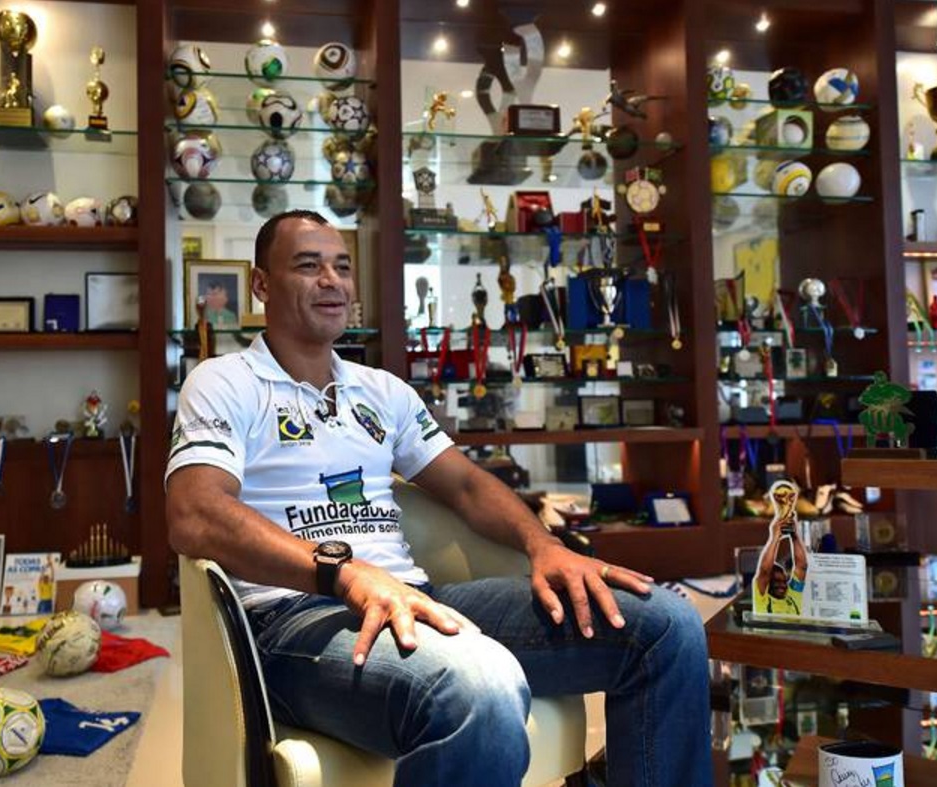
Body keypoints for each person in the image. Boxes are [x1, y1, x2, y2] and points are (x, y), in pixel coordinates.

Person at [165, 210, 712, 786]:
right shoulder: (225, 381)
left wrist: (544, 545)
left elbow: (468, 486)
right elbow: (194, 514)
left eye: (342, 267)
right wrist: (344, 574)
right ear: (261, 284)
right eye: (308, 266)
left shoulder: (382, 392)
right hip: (296, 619)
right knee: (478, 685)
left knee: (666, 627)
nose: (332, 281)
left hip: (417, 596)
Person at [752, 503, 809, 617]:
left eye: (784, 581)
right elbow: (765, 570)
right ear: (768, 583)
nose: (782, 585)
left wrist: (794, 535)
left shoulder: (792, 597)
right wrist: (775, 537)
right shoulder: (762, 599)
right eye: (777, 581)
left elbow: (802, 566)